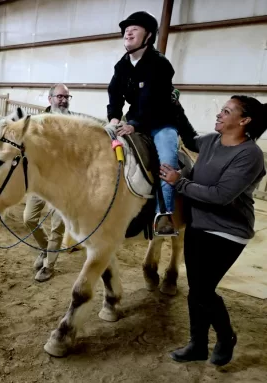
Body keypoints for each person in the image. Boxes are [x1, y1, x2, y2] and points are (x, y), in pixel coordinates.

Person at [160, 95, 267, 366]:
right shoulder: (212, 141)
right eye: (221, 110)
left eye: (226, 111)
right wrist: (174, 105)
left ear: (244, 121)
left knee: (203, 291)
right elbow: (189, 136)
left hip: (227, 231)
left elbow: (221, 195)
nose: (219, 114)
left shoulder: (249, 154)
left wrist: (179, 182)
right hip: (199, 225)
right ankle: (197, 344)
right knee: (197, 289)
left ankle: (225, 336)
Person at [107, 11, 181, 236]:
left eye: (135, 28)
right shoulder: (122, 65)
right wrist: (113, 119)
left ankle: (164, 214)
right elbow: (115, 94)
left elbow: (154, 100)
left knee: (168, 158)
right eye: (126, 29)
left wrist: (135, 125)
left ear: (148, 36)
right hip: (133, 119)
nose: (128, 31)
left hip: (161, 121)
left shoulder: (160, 64)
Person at [24, 84, 73, 282]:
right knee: (29, 218)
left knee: (57, 225)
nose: (63, 100)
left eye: (66, 97)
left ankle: (48, 265)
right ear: (50, 99)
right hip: (41, 179)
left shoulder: (74, 123)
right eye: (59, 96)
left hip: (64, 182)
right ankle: (45, 249)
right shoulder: (37, 123)